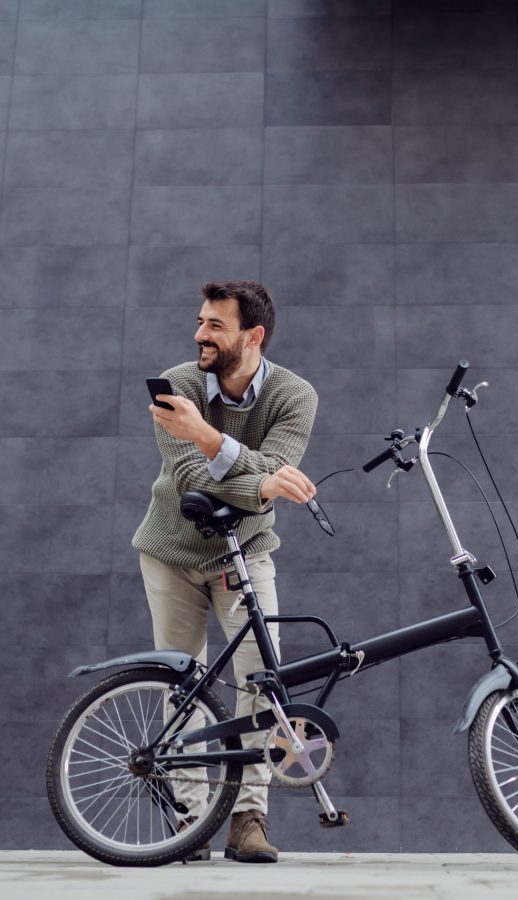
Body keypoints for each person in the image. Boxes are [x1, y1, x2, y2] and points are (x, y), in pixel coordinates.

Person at [132, 280, 318, 863]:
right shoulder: (180, 383)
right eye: (200, 322)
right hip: (171, 550)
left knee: (264, 681)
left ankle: (247, 819)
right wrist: (257, 478)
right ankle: (192, 822)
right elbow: (190, 478)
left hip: (247, 552)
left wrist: (217, 443)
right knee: (180, 683)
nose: (199, 335)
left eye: (215, 325)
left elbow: (276, 476)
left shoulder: (294, 395)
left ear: (252, 335)